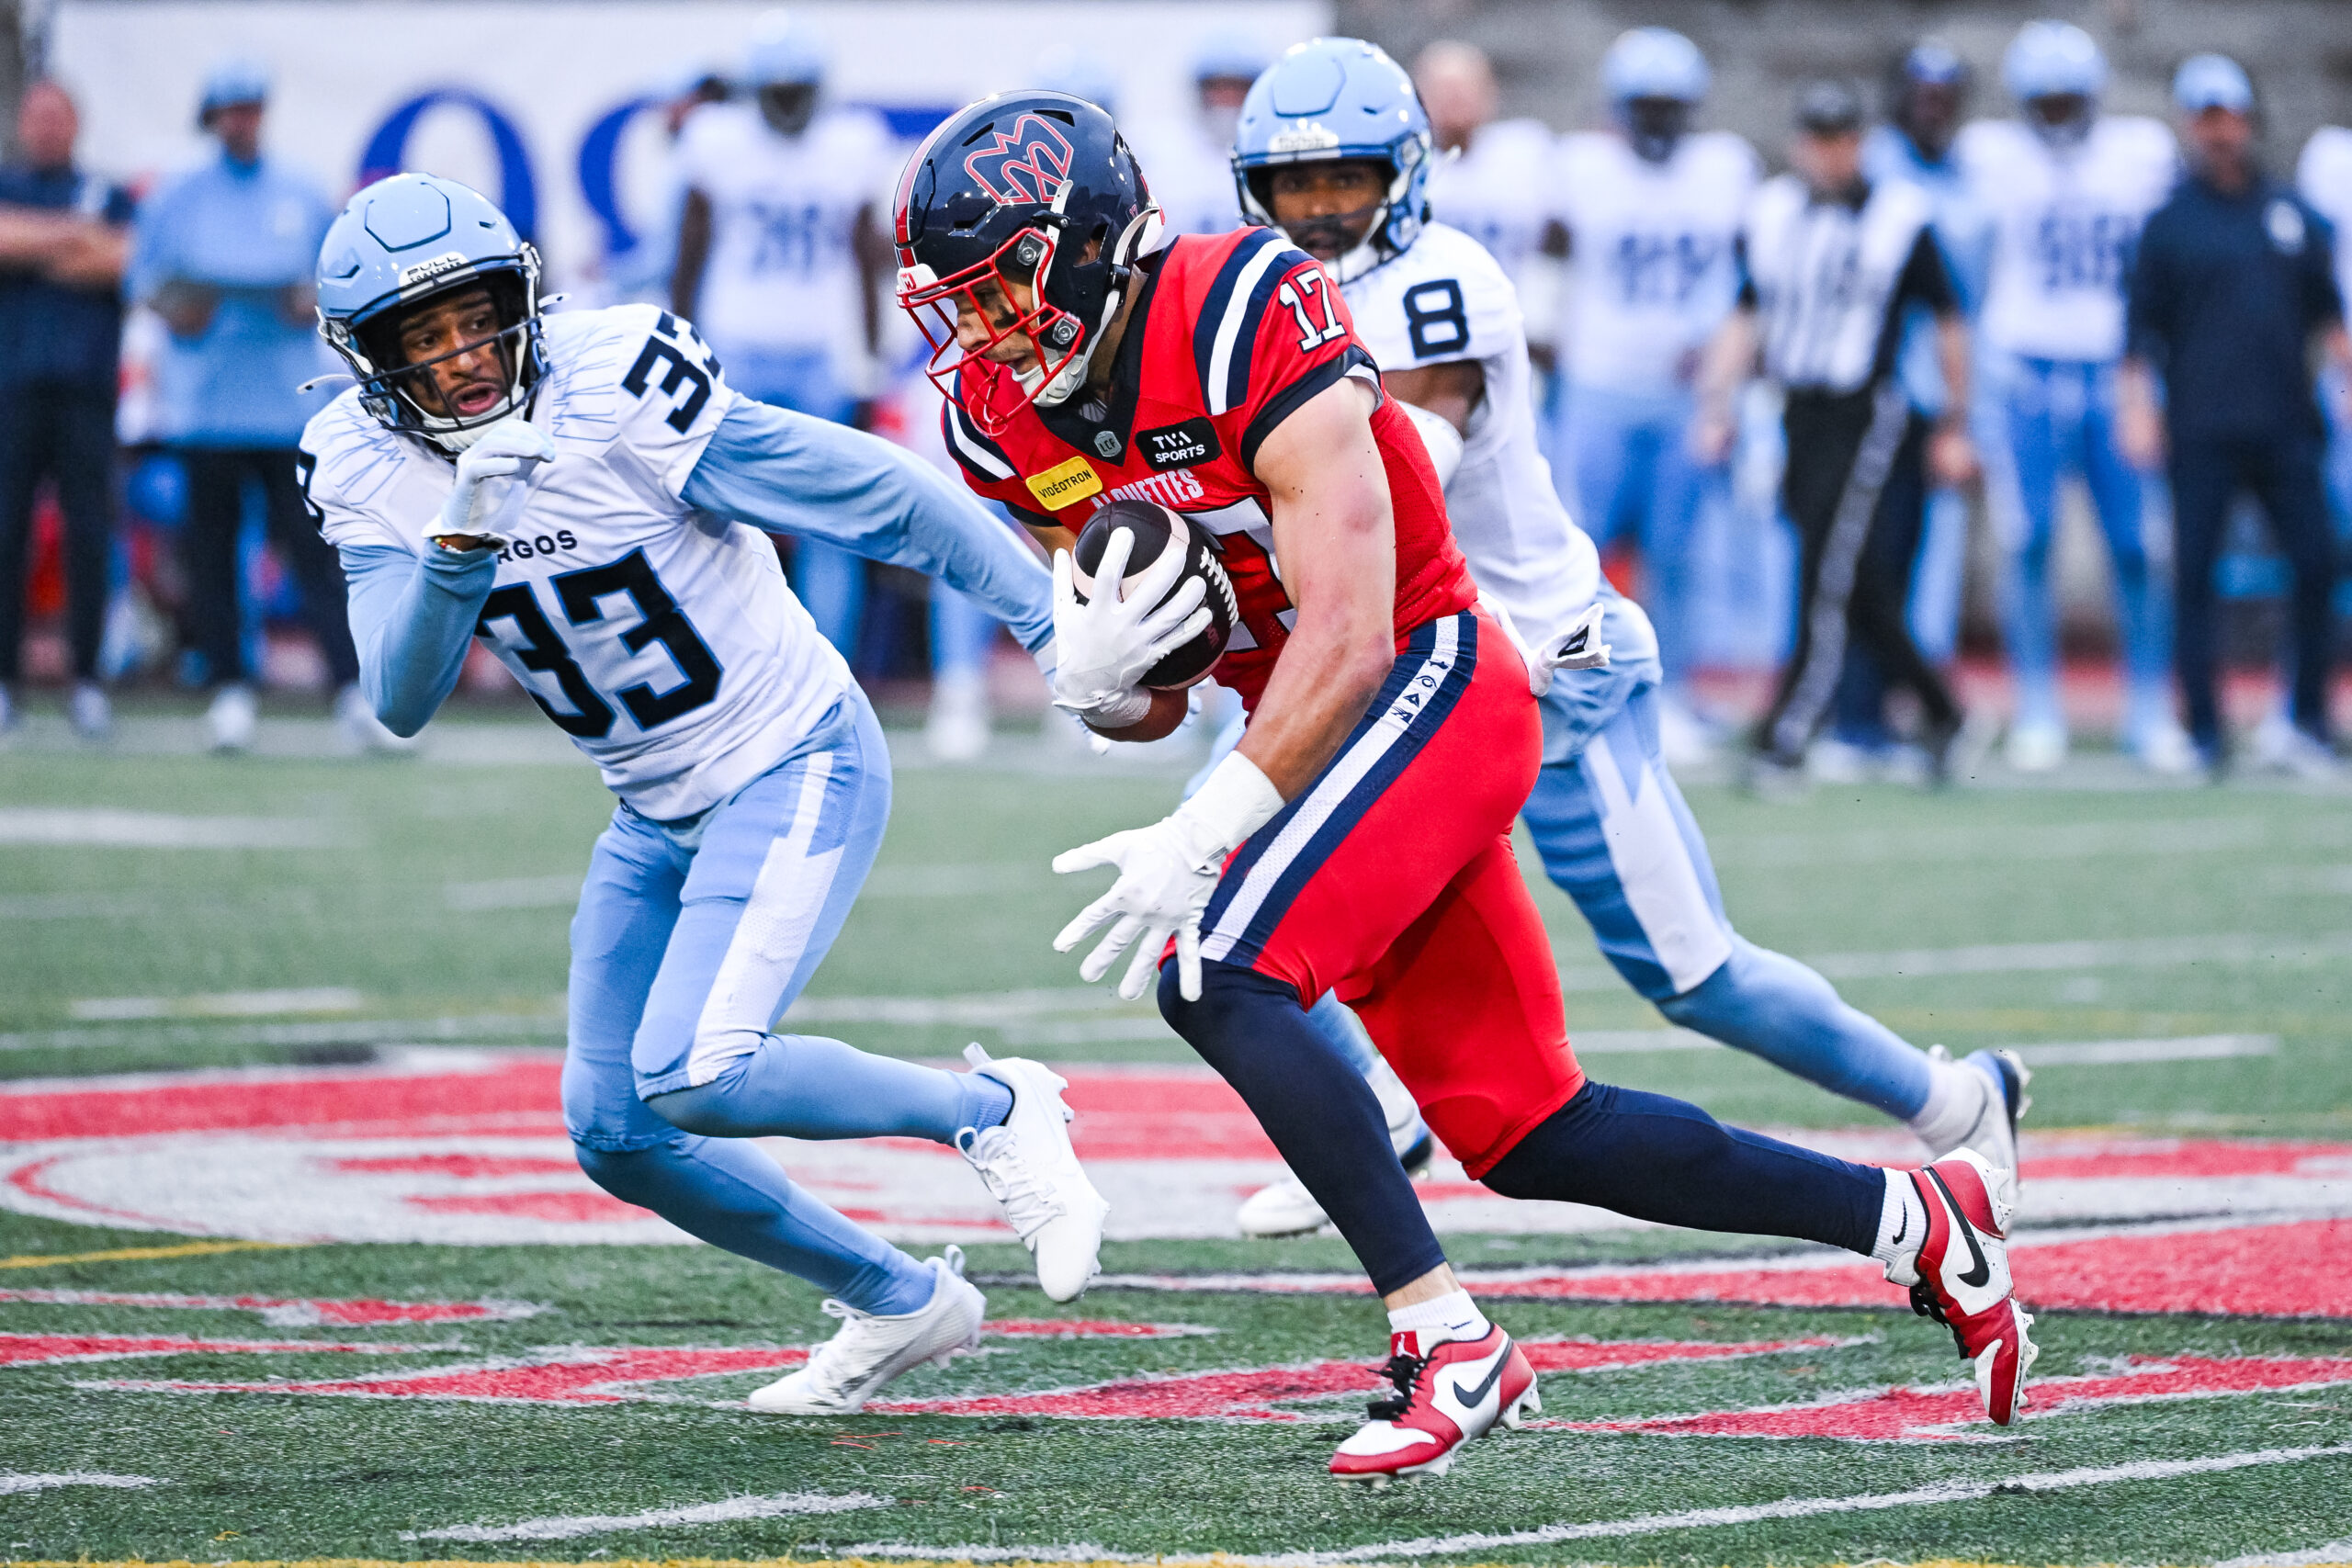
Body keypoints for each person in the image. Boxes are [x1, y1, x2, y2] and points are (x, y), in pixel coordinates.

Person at [895, 69, 2033, 1483]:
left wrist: (1210, 819)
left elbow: (1359, 627)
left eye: (1007, 286)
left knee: (1217, 968)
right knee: (1524, 1125)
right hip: (1310, 723)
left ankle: (1448, 1338)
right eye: (962, 299)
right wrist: (1107, 685)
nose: (988, 328)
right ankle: (1920, 1215)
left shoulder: (1246, 298)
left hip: (1436, 672)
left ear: (1095, 240)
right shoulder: (1000, 411)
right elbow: (1160, 687)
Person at [302, 172, 1108, 1413]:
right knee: (617, 1128)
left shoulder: (614, 387)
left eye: (476, 318)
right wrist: (463, 532)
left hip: (793, 754)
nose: (464, 357)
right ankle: (901, 1298)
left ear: (522, 298)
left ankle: (995, 1105)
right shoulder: (364, 462)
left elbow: (876, 492)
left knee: (697, 1067)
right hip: (652, 805)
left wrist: (1046, 626)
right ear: (370, 362)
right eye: (424, 337)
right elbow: (399, 694)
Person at [1220, 45, 2026, 1242]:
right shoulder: (1259, 303)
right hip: (1414, 671)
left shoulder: (1446, 285)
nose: (1323, 214)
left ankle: (1954, 1097)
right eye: (1295, 190)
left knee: (1694, 974)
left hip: (1550, 669)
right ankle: (1380, 1097)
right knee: (1224, 865)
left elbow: (1399, 495)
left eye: (1344, 182)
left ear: (1405, 173)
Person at [1698, 81, 1975, 784]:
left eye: (1844, 138)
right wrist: (1717, 402)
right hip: (1798, 411)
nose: (1830, 153)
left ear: (1861, 143)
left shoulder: (1901, 217)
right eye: (1819, 138)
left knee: (1827, 572)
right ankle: (1944, 712)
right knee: (1852, 581)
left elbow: (1949, 320)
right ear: (1800, 144)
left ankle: (1788, 730)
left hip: (1868, 412)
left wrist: (1954, 421)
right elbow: (1747, 310)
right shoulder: (1773, 212)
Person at [1958, 22, 2191, 774]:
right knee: (2027, 545)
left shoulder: (2140, 154)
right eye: (2044, 104)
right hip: (2024, 368)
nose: (2057, 117)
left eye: (2069, 102)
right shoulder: (1991, 157)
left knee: (2138, 546)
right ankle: (2036, 705)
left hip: (2115, 370)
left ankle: (2150, 703)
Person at [126, 57, 372, 752]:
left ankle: (351, 688)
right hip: (206, 406)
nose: (243, 121)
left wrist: (309, 303)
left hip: (285, 405)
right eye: (231, 109)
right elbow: (145, 280)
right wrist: (180, 310)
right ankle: (230, 687)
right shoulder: (179, 194)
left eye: (252, 108)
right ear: (214, 117)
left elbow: (334, 281)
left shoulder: (298, 188)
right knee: (211, 556)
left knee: (312, 552)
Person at [2122, 55, 2348, 777]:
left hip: (2286, 425)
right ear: (2192, 126)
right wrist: (2137, 412)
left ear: (2250, 120)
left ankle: (2305, 720)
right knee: (2194, 578)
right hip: (2201, 427)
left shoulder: (2289, 214)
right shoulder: (2169, 224)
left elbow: (2329, 319)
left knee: (2315, 565)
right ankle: (2206, 731)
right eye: (2208, 119)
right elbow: (2137, 334)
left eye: (2231, 117)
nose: (2222, 133)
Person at [1551, 28, 1757, 745]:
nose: (1661, 121)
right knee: (1583, 549)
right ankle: (1579, 685)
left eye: (1672, 107)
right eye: (1648, 106)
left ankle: (1675, 697)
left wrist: (1722, 376)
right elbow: (1550, 263)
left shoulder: (1723, 169)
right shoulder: (1583, 168)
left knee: (1680, 553)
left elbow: (1746, 283)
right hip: (1598, 384)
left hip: (1684, 396)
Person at [1826, 40, 1994, 778]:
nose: (1934, 105)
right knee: (1863, 564)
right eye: (1922, 91)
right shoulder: (1876, 180)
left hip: (1929, 401)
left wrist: (1961, 417)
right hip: (1866, 397)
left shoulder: (1972, 176)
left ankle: (1901, 716)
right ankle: (1862, 716)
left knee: (1909, 566)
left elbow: (1961, 311)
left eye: (1945, 93)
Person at [0, 79, 131, 738]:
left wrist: (39, 246)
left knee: (87, 536)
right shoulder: (15, 186)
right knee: (6, 535)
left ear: (76, 123)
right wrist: (72, 236)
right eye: (37, 116)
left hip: (86, 392)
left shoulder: (107, 193)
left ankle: (86, 680)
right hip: (11, 391)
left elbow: (126, 261)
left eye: (59, 116)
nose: (48, 127)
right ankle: (5, 683)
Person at [1122, 33, 1265, 239]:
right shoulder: (1156, 153)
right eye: (1218, 87)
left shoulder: (1269, 154)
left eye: (1237, 88)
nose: (1226, 99)